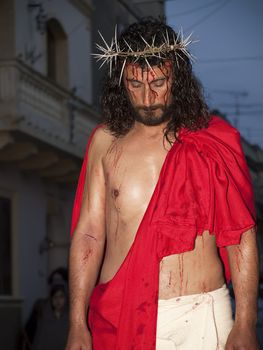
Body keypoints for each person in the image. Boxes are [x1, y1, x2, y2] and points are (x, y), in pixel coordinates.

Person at [66, 18, 259, 350]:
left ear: (178, 77)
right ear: (121, 82)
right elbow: (89, 234)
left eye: (158, 82)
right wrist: (76, 323)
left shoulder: (213, 140)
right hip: (121, 311)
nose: (147, 97)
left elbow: (239, 234)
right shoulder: (104, 142)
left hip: (202, 314)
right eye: (135, 85)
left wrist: (245, 322)